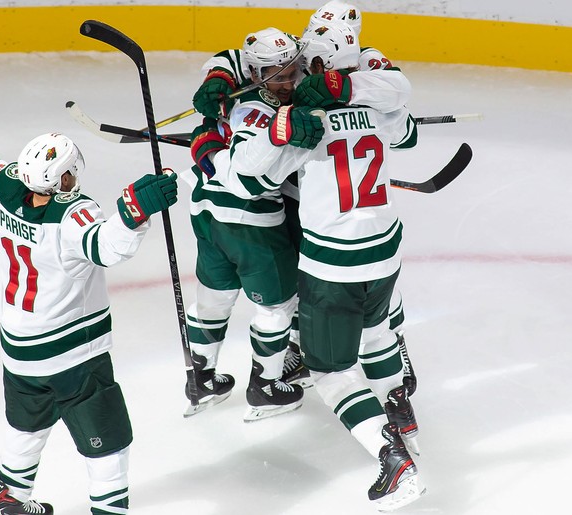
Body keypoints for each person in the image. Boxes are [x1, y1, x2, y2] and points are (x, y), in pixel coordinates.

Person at [0, 56, 179, 515]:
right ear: (63, 177)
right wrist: (135, 212)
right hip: (73, 355)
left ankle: (10, 500)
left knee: (25, 428)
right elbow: (108, 247)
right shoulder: (72, 216)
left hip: (19, 346)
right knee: (109, 444)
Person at [217, 21, 425, 510]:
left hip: (336, 264)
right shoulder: (375, 96)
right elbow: (405, 128)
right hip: (386, 250)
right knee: (377, 334)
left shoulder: (304, 117)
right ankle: (402, 413)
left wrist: (263, 133)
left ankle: (393, 459)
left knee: (329, 370)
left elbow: (247, 180)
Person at [191, 0, 419, 397]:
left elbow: (400, 103)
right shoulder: (302, 51)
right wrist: (218, 72)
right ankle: (300, 347)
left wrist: (212, 157)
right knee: (308, 281)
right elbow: (243, 55)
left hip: (324, 197)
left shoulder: (361, 59)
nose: (289, 75)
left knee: (363, 285)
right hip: (299, 195)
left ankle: (392, 342)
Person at [182, 27, 308, 422]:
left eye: (292, 69)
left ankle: (200, 379)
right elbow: (246, 178)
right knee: (278, 305)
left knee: (214, 298)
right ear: (256, 74)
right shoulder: (254, 111)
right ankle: (266, 386)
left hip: (206, 211)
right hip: (251, 225)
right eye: (279, 74)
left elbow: (229, 57)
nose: (289, 80)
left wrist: (204, 144)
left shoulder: (242, 89)